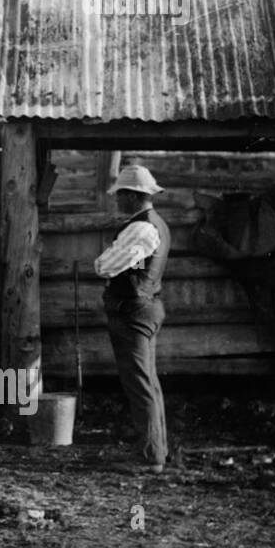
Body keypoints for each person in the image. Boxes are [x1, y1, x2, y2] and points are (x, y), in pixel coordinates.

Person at [93, 164, 171, 473]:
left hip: (133, 311)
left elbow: (105, 266)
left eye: (120, 195)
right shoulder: (157, 224)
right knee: (147, 381)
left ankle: (152, 457)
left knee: (140, 383)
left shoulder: (140, 227)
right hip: (144, 306)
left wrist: (105, 257)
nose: (116, 201)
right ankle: (157, 448)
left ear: (133, 195)